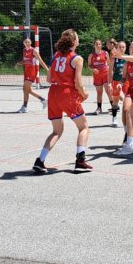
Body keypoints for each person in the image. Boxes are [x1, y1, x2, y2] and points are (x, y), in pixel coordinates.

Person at [32, 29, 93, 174]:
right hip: (67, 94)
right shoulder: (77, 58)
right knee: (83, 127)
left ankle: (40, 161)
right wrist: (84, 93)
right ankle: (80, 161)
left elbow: (48, 79)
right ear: (74, 41)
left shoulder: (56, 55)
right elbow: (78, 83)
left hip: (53, 93)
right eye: (77, 37)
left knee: (56, 131)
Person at [16, 37, 48, 113]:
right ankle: (43, 100)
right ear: (24, 43)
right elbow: (25, 61)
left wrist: (47, 70)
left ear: (30, 43)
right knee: (26, 89)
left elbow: (41, 61)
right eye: (26, 42)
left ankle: (24, 107)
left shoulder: (34, 51)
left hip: (32, 71)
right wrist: (18, 63)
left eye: (28, 42)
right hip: (26, 71)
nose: (27, 43)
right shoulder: (24, 50)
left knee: (25, 88)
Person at [87, 39, 110, 115]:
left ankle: (114, 106)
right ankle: (99, 108)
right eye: (96, 44)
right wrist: (93, 69)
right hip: (97, 75)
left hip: (105, 74)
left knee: (108, 90)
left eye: (99, 44)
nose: (98, 45)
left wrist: (110, 71)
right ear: (94, 45)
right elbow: (89, 66)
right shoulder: (91, 55)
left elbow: (109, 64)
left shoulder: (105, 53)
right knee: (99, 92)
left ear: (101, 45)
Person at [108, 38, 125, 127]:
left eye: (123, 47)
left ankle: (127, 119)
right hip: (116, 81)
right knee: (116, 100)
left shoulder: (128, 58)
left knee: (126, 100)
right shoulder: (114, 58)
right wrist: (109, 83)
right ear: (117, 48)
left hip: (125, 82)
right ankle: (114, 118)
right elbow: (110, 70)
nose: (122, 48)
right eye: (120, 47)